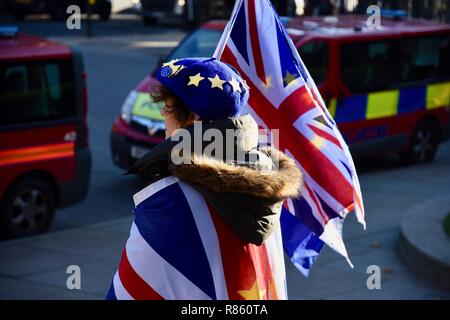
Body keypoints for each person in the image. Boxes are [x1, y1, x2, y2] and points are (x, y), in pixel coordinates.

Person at [110, 57, 303, 299]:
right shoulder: (267, 183)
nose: (161, 113)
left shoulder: (168, 201)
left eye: (168, 106)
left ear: (192, 118)